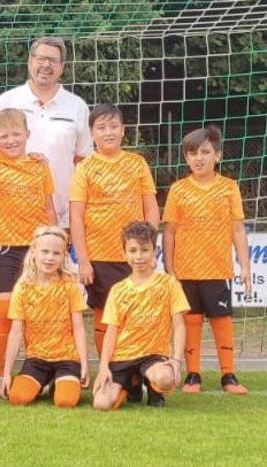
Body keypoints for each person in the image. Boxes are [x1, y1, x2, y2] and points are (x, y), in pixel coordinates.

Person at [163, 125, 252, 395]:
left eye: (205, 152)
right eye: (192, 153)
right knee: (190, 322)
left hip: (217, 269)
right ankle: (193, 375)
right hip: (186, 271)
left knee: (221, 320)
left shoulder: (229, 188)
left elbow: (238, 229)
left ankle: (228, 375)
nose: (198, 158)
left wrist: (245, 266)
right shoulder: (178, 190)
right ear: (186, 158)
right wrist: (169, 267)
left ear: (218, 155)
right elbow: (169, 232)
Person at [69, 103, 159, 356]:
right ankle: (108, 368)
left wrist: (149, 250)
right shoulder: (84, 168)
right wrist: (83, 260)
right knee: (105, 313)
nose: (108, 132)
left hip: (134, 254)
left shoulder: (137, 163)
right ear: (91, 133)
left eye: (113, 126)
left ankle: (135, 365)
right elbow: (76, 216)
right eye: (101, 127)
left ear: (123, 130)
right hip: (99, 255)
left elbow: (151, 208)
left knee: (135, 312)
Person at [0, 37, 93, 229]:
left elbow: (83, 161)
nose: (46, 65)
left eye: (53, 60)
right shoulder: (6, 101)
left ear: (62, 67)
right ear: (30, 61)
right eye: (41, 58)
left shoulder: (77, 106)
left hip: (63, 217)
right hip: (12, 220)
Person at [0, 108, 57, 397]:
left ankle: (44, 368)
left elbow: (49, 207)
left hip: (38, 249)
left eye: (16, 134)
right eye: (4, 136)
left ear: (27, 134)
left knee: (41, 311)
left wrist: (56, 241)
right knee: (3, 310)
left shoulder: (39, 165)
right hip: (7, 249)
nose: (11, 140)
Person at [93, 221, 188, 410]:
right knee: (101, 404)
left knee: (165, 378)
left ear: (155, 251)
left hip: (152, 356)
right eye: (133, 250)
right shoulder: (118, 290)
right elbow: (111, 332)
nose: (138, 256)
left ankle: (154, 389)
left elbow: (179, 325)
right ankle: (132, 385)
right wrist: (103, 367)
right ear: (124, 253)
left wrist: (177, 360)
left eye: (144, 250)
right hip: (123, 356)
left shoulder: (169, 284)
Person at [2, 226, 89, 408]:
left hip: (67, 358)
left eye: (56, 253)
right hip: (37, 358)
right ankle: (43, 382)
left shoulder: (70, 286)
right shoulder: (22, 288)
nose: (50, 258)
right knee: (18, 398)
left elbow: (79, 328)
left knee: (65, 401)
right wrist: (7, 372)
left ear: (63, 256)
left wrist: (84, 364)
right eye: (45, 252)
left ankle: (58, 383)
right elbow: (16, 332)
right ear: (34, 252)